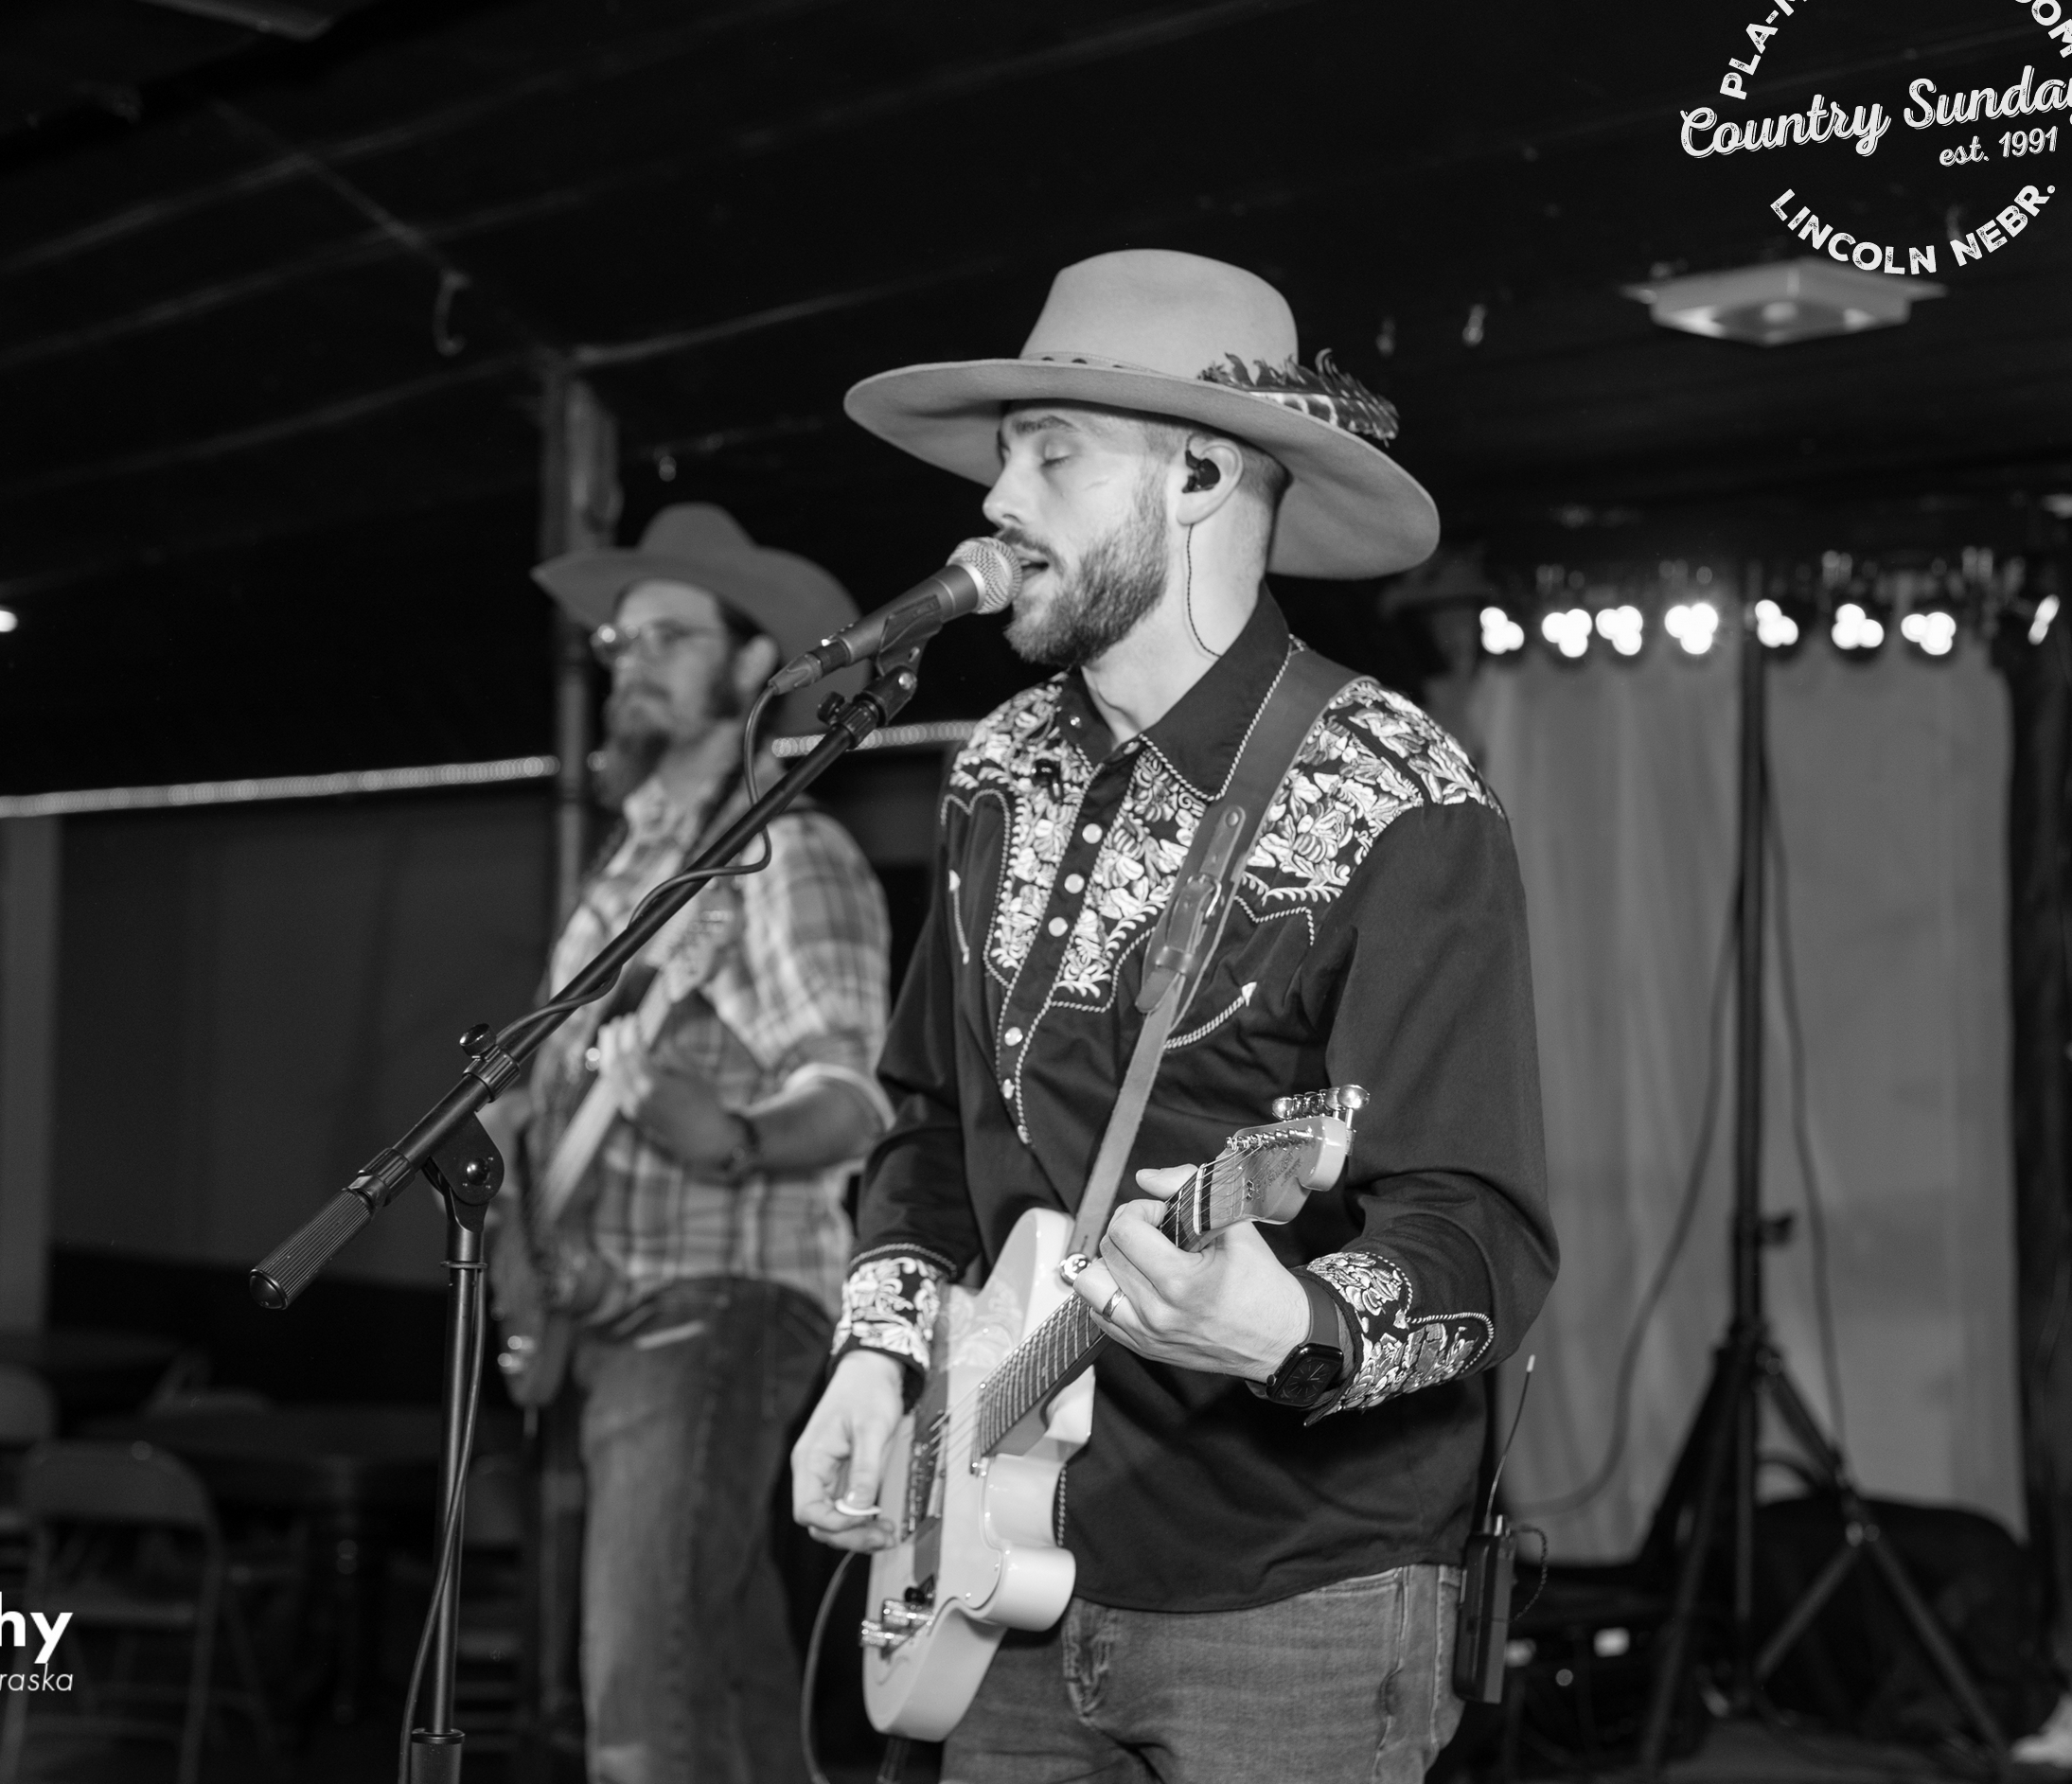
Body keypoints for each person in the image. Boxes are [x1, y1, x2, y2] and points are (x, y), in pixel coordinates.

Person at [789, 252, 1557, 1782]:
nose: (995, 498)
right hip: (997, 1554)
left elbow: (1481, 1229)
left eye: (1050, 453)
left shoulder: (1400, 795)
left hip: (1299, 1592)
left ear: (1201, 473)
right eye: (1004, 451)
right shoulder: (997, 767)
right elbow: (933, 1121)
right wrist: (877, 1356)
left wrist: (1296, 1325)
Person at [494, 502, 894, 1784]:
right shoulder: (631, 869)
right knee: (717, 1680)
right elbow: (539, 1103)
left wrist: (726, 1136)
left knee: (640, 1716)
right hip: (618, 1316)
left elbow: (853, 1097)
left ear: (751, 660)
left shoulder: (787, 852)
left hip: (714, 1308)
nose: (632, 661)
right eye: (622, 641)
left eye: (671, 636)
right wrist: (518, 1241)